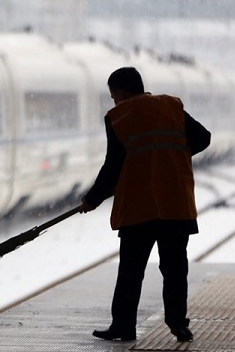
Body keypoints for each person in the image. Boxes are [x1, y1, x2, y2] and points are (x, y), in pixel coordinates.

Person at [79, 67, 211, 343]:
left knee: (131, 270)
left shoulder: (120, 116)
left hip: (139, 206)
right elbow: (203, 137)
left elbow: (113, 165)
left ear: (121, 93)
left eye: (114, 96)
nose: (114, 102)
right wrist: (169, 158)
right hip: (175, 203)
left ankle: (123, 326)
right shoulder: (170, 107)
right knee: (175, 270)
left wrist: (92, 199)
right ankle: (178, 325)